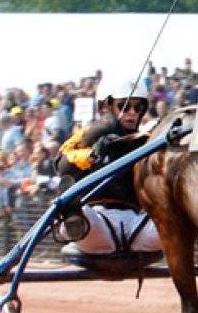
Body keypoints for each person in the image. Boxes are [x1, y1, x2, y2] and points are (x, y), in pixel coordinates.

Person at [54, 77, 162, 257]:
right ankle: (72, 225)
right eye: (124, 106)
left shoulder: (148, 139)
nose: (132, 113)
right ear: (107, 106)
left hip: (139, 227)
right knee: (69, 191)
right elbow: (61, 163)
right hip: (98, 223)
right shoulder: (96, 131)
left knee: (175, 220)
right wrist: (92, 154)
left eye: (138, 107)